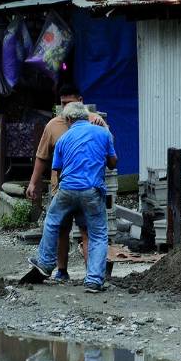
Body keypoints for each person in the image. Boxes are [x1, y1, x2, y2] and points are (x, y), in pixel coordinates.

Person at [29, 102, 117, 293]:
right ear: (86, 116)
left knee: (52, 222)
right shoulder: (103, 134)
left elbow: (57, 170)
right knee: (98, 234)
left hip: (67, 190)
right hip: (93, 191)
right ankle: (94, 280)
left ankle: (45, 263)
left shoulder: (63, 139)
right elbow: (112, 163)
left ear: (68, 119)